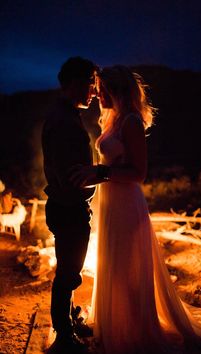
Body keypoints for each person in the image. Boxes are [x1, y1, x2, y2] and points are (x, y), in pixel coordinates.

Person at [70, 65, 201, 354]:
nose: (97, 95)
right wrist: (92, 174)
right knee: (112, 264)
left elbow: (138, 173)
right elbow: (110, 166)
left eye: (102, 89)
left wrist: (101, 172)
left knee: (127, 267)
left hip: (126, 204)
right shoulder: (111, 119)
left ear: (117, 90)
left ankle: (132, 330)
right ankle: (114, 323)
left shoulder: (131, 122)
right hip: (110, 201)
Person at [41, 56, 98, 353]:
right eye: (91, 83)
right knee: (67, 273)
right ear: (75, 83)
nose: (95, 91)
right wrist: (103, 174)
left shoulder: (65, 114)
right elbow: (69, 178)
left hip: (65, 206)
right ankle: (64, 336)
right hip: (68, 209)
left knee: (68, 269)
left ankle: (69, 323)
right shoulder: (64, 121)